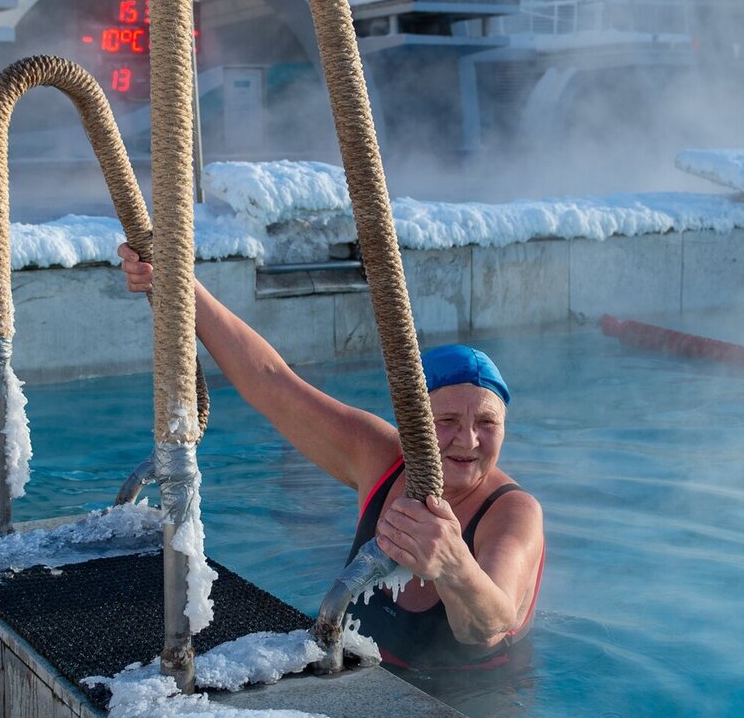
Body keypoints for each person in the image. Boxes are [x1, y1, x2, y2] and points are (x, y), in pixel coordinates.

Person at [118, 244, 545, 670]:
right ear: (414, 420)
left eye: (487, 423)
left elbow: (489, 624)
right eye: (448, 419)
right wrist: (181, 285)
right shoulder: (381, 456)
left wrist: (454, 565)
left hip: (477, 708)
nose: (468, 440)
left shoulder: (512, 512)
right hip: (357, 681)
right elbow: (271, 384)